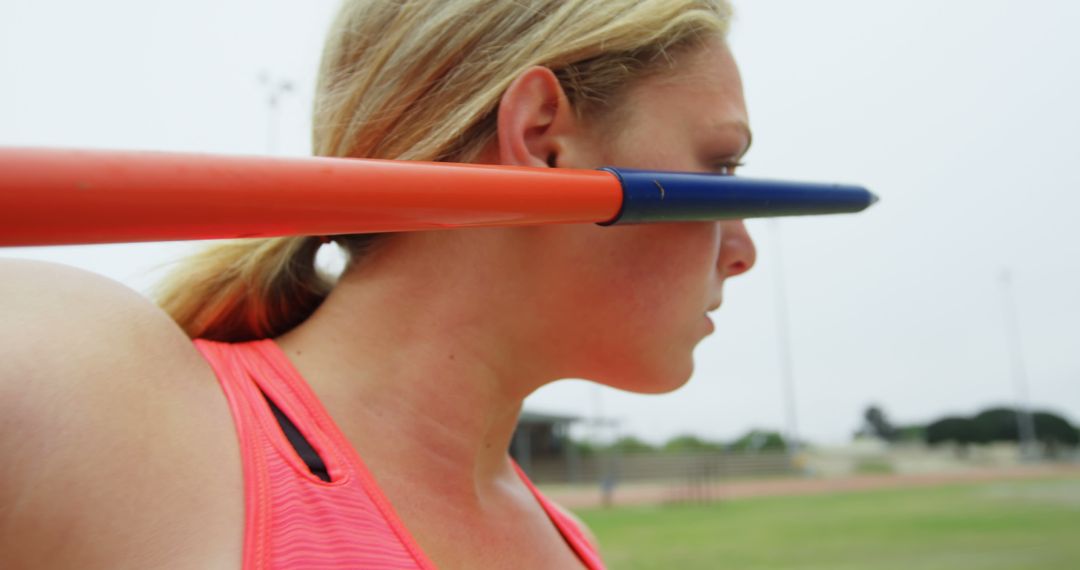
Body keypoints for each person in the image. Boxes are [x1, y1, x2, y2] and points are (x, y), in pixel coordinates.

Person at [0, 0, 756, 567]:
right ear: (541, 139)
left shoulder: (571, 547)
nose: (743, 249)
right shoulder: (112, 412)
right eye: (721, 166)